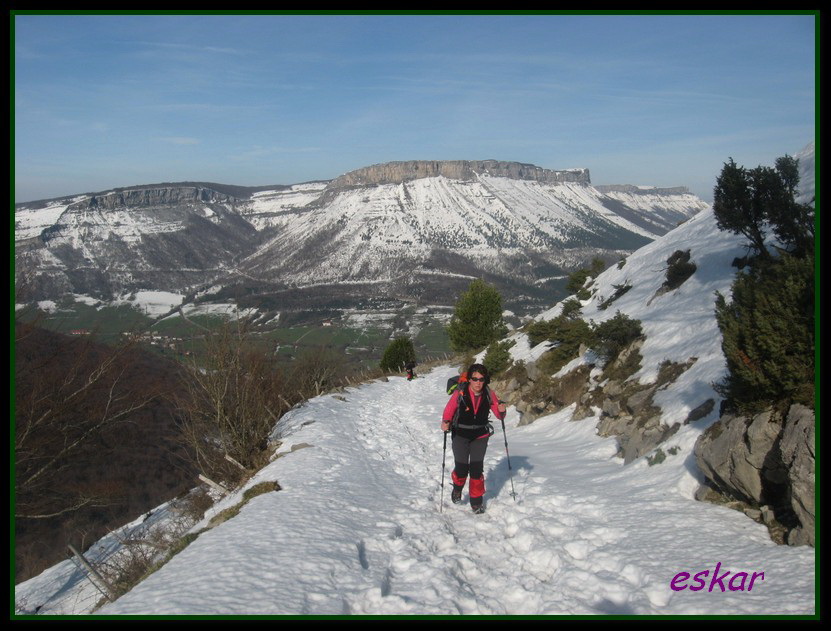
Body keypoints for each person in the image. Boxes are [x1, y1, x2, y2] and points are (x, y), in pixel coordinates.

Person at [441, 363, 506, 514]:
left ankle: (476, 502)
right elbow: (449, 410)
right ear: (469, 379)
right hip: (460, 435)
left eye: (481, 379)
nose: (478, 382)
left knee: (476, 470)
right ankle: (457, 489)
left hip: (480, 435)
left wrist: (502, 411)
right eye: (475, 379)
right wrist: (445, 422)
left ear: (485, 380)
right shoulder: (460, 392)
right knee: (462, 468)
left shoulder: (489, 393)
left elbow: (498, 414)